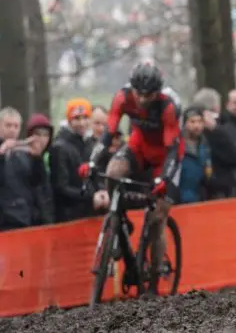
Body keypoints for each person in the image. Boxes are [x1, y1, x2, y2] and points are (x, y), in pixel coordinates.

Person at [90, 62, 183, 292]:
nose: (142, 99)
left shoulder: (167, 105)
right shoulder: (122, 97)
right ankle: (120, 219)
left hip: (165, 156)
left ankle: (153, 279)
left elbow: (172, 147)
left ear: (157, 92)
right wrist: (92, 162)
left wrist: (164, 179)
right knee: (112, 172)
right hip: (139, 146)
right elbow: (109, 132)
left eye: (148, 94)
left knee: (157, 218)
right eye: (138, 93)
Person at [49, 98, 95, 222]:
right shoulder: (60, 147)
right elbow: (61, 187)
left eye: (85, 118)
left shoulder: (90, 144)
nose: (82, 123)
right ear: (69, 121)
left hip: (89, 212)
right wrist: (90, 196)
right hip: (68, 214)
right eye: (77, 119)